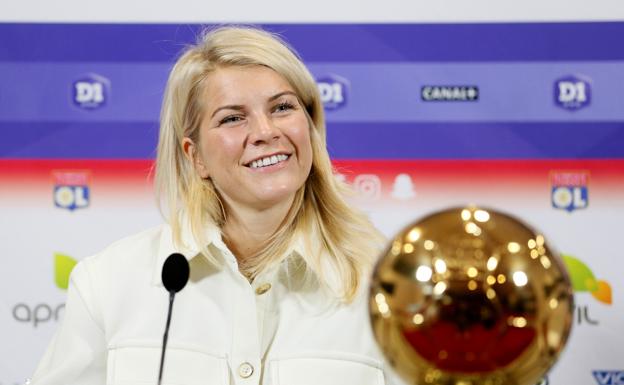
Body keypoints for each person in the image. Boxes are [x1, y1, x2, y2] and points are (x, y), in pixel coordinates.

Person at [31, 26, 388, 385]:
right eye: (233, 118)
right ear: (195, 155)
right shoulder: (107, 283)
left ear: (310, 128)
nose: (265, 131)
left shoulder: (391, 288)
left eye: (282, 107)